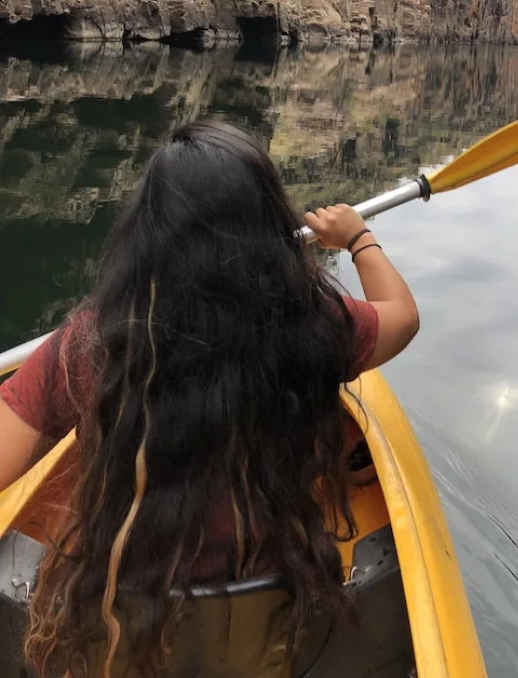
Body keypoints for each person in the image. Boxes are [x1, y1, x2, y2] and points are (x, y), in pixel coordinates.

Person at [0, 121, 419, 678]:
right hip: (271, 624)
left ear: (143, 239)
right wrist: (359, 238)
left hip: (119, 629)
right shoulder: (316, 326)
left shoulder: (85, 346)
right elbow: (403, 318)